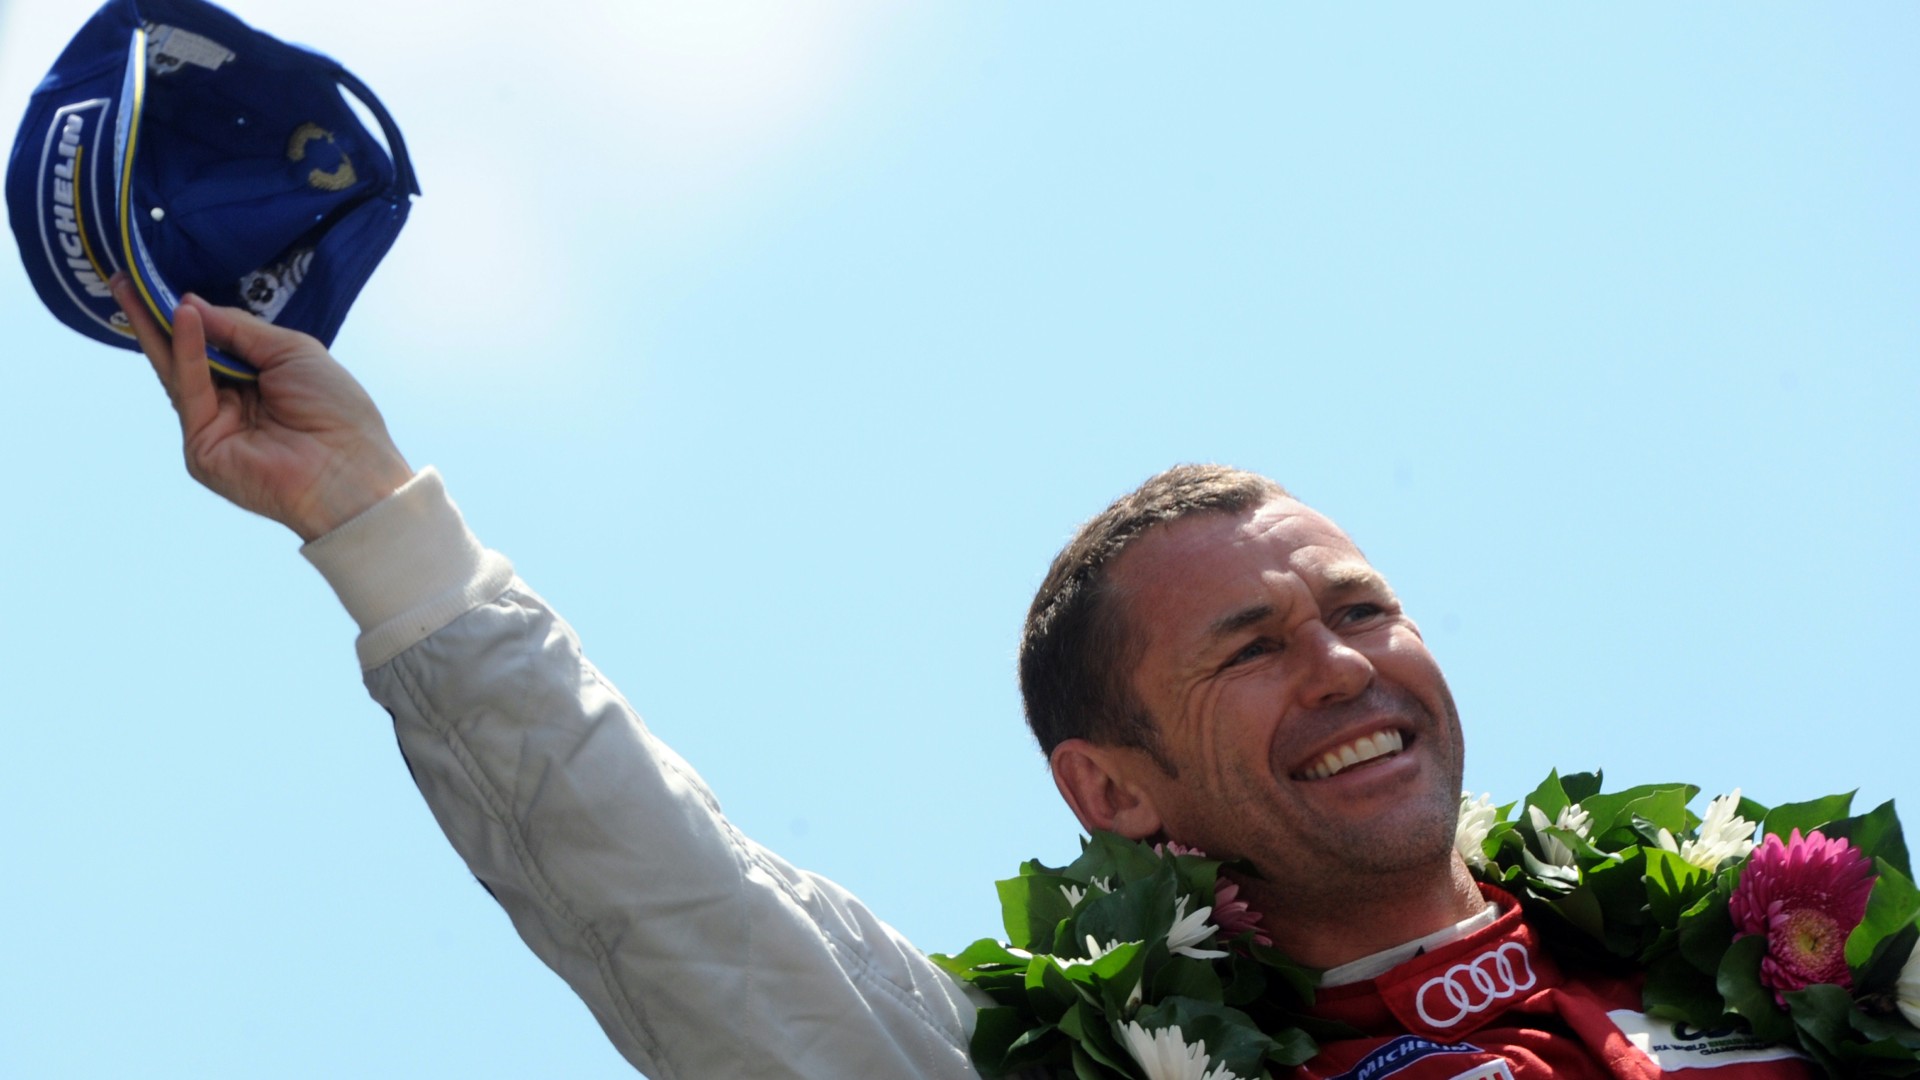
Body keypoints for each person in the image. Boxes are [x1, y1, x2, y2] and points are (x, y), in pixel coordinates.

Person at [114, 279, 1816, 1079]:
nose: (1341, 667)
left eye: (1360, 609)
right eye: (1249, 647)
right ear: (1114, 794)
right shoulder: (1042, 1071)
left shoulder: (1788, 956)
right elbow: (683, 913)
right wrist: (378, 527)